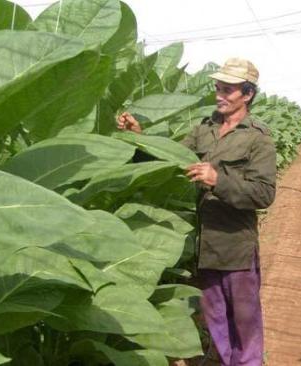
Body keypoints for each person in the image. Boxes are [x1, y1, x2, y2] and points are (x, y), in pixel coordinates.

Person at [117, 57, 277, 366]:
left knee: (244, 318)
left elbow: (264, 193)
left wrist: (219, 180)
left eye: (228, 90)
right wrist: (138, 136)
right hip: (205, 242)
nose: (219, 95)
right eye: (218, 87)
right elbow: (171, 158)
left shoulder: (258, 137)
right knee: (214, 314)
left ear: (247, 94)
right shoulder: (204, 129)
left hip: (236, 243)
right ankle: (225, 359)